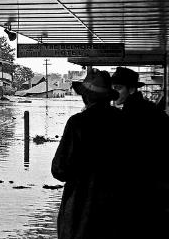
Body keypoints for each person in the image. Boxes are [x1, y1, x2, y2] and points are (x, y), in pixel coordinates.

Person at [51, 69, 126, 239]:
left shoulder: (78, 123)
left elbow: (59, 170)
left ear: (86, 97)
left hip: (80, 213)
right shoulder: (124, 122)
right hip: (116, 212)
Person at [111, 67, 169, 239]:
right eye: (113, 89)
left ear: (131, 89)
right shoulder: (147, 108)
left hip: (142, 189)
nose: (114, 94)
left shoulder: (132, 113)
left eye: (118, 88)